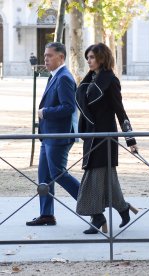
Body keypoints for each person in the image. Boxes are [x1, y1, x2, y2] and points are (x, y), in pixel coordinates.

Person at [75, 43, 138, 234]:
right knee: (106, 178)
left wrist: (130, 139)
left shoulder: (110, 80)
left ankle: (97, 218)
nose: (89, 60)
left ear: (102, 58)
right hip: (91, 136)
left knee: (94, 177)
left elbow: (120, 111)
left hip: (105, 137)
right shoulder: (89, 79)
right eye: (87, 57)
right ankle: (122, 208)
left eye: (92, 57)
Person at [26, 42, 80, 226]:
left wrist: (45, 112)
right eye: (45, 55)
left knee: (58, 174)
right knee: (45, 177)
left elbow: (68, 107)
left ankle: (92, 203)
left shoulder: (64, 77)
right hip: (48, 135)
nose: (45, 59)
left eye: (49, 55)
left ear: (61, 57)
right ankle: (46, 214)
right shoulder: (55, 76)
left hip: (58, 136)